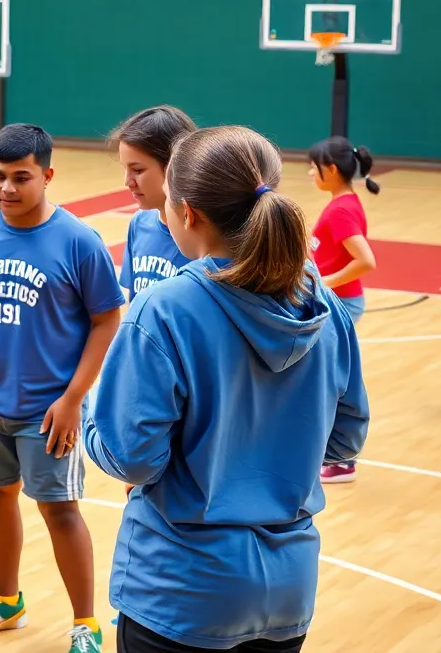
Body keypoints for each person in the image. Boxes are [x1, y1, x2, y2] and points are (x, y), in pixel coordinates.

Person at [83, 125, 370, 653]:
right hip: (288, 591)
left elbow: (135, 460)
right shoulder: (325, 306)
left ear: (187, 212)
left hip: (180, 590)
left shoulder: (164, 309)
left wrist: (88, 414)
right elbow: (345, 440)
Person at [0, 123, 124, 653]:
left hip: (47, 409)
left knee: (59, 509)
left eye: (21, 178)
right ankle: (7, 600)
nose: (6, 189)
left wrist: (72, 400)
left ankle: (85, 623)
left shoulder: (79, 241)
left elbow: (106, 320)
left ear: (47, 175)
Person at [307, 136, 380, 484]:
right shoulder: (344, 202)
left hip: (342, 304)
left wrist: (323, 283)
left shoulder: (340, 210)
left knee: (329, 380)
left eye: (314, 167)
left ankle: (342, 460)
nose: (310, 173)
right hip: (341, 301)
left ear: (331, 170)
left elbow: (365, 260)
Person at [110, 105, 197, 301]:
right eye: (125, 168)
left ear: (173, 167)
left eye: (138, 170)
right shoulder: (140, 223)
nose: (128, 182)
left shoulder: (205, 238)